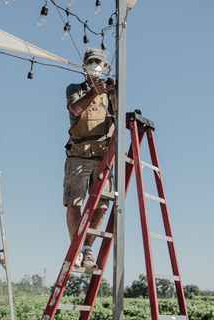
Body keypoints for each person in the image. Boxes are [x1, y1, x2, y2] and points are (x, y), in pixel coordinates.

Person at [64, 48, 117, 271]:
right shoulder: (76, 89)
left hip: (104, 155)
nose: (95, 65)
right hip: (79, 154)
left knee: (101, 207)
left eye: (98, 62)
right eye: (91, 62)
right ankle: (75, 249)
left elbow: (119, 114)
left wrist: (113, 94)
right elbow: (76, 109)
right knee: (74, 202)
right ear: (84, 65)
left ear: (105, 66)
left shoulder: (112, 90)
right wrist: (94, 92)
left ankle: (87, 250)